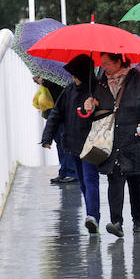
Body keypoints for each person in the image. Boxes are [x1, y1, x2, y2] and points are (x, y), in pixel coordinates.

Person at [82, 52, 140, 238]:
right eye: (102, 64)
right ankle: (116, 222)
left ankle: (138, 221)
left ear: (119, 61)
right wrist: (89, 104)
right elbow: (97, 107)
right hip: (112, 139)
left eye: (107, 63)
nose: (104, 67)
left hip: (135, 138)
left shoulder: (139, 79)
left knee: (136, 180)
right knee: (114, 179)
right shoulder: (101, 82)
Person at [41, 54, 102, 234]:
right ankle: (92, 214)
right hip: (73, 143)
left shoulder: (97, 90)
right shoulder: (68, 91)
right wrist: (47, 137)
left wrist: (94, 105)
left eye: (76, 74)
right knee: (83, 181)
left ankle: (93, 215)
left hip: (91, 144)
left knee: (90, 179)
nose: (73, 78)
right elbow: (56, 114)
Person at [36, 76, 78, 185]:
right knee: (59, 140)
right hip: (55, 107)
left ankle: (71, 171)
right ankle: (64, 170)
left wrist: (44, 81)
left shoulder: (62, 72)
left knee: (64, 139)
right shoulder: (53, 70)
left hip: (62, 108)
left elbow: (62, 83)